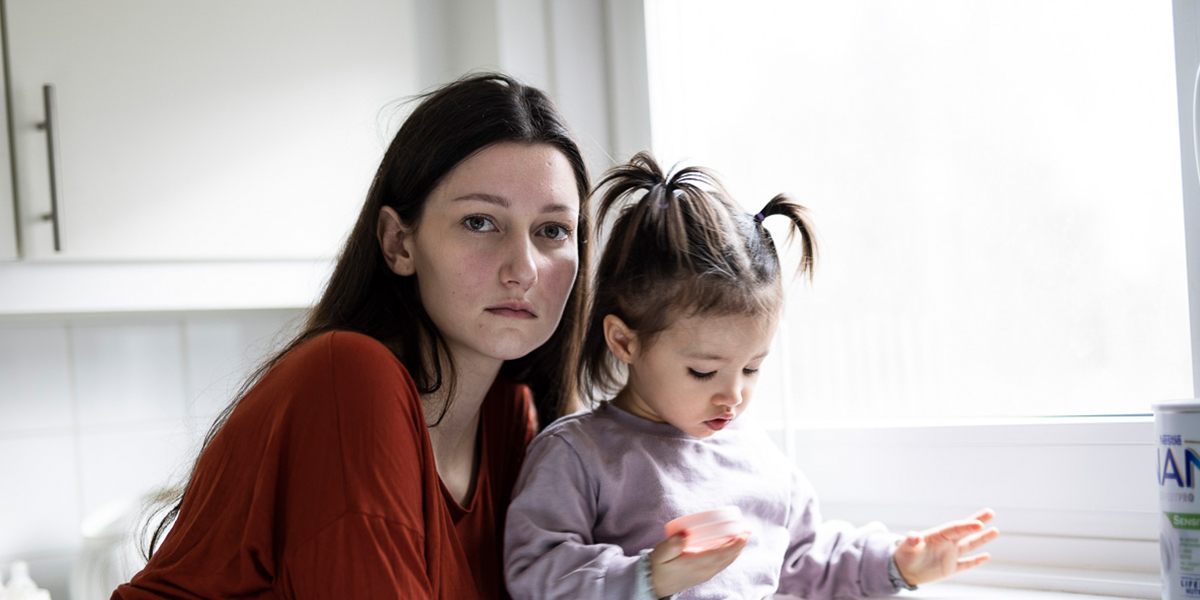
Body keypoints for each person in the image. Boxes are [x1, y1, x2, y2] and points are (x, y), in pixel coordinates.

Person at [111, 72, 592, 600]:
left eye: (552, 231)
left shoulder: (512, 420)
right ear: (398, 244)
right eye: (480, 222)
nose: (522, 269)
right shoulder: (349, 378)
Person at [503, 152, 1000, 599]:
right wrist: (648, 577)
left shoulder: (760, 461)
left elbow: (803, 560)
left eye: (752, 368)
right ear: (625, 341)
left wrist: (895, 564)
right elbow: (535, 572)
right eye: (703, 371)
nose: (733, 395)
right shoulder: (577, 456)